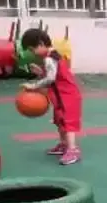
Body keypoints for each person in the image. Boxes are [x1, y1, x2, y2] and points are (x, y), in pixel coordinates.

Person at [20, 28, 83, 165]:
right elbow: (54, 74)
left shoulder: (49, 58)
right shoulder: (52, 56)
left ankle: (73, 150)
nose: (32, 53)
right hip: (61, 96)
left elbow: (51, 78)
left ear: (41, 44)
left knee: (68, 123)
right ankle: (64, 145)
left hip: (67, 96)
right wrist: (40, 72)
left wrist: (34, 86)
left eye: (32, 49)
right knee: (60, 121)